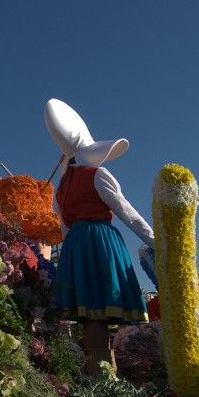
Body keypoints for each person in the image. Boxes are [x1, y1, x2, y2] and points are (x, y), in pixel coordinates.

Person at [44, 98, 155, 376]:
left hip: (76, 245)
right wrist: (157, 241)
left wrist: (70, 256)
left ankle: (99, 375)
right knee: (103, 307)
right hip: (101, 241)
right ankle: (105, 378)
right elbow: (126, 211)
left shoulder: (62, 187)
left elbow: (64, 226)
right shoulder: (97, 174)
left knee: (90, 313)